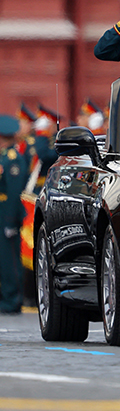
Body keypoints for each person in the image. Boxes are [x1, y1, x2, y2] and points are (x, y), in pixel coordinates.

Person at [0, 115, 28, 314]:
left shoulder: (13, 159)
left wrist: (10, 220)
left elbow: (13, 192)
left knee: (9, 259)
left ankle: (12, 299)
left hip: (7, 214)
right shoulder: (4, 157)